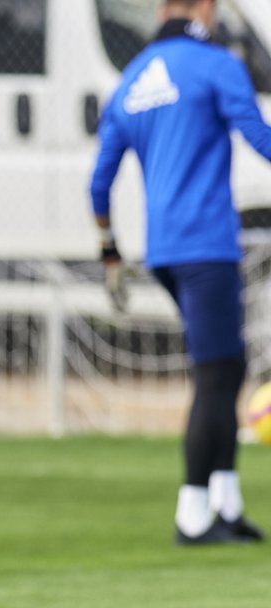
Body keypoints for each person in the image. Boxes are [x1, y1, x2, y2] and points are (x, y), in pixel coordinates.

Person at [90, 0, 271, 544]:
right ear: (205, 8)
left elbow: (98, 183)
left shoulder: (132, 80)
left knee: (228, 366)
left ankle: (226, 503)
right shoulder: (217, 64)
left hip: (161, 249)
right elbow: (260, 138)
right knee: (216, 374)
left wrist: (110, 251)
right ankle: (193, 516)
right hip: (207, 245)